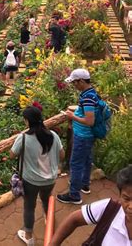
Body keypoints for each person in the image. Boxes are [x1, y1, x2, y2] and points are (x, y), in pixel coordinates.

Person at [11, 106, 65, 246]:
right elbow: (62, 155)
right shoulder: (53, 135)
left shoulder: (23, 138)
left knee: (29, 206)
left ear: (28, 122)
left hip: (31, 181)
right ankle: (49, 224)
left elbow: (12, 154)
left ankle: (29, 236)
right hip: (50, 179)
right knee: (46, 200)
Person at [50, 164, 132, 245]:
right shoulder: (110, 209)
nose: (130, 206)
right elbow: (73, 220)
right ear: (119, 195)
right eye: (126, 199)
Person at [57, 69, 99, 204]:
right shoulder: (91, 93)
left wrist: (72, 116)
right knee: (87, 159)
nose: (74, 85)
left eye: (74, 82)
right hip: (88, 135)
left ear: (81, 81)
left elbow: (89, 121)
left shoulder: (87, 97)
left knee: (75, 164)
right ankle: (85, 185)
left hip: (83, 135)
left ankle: (74, 195)